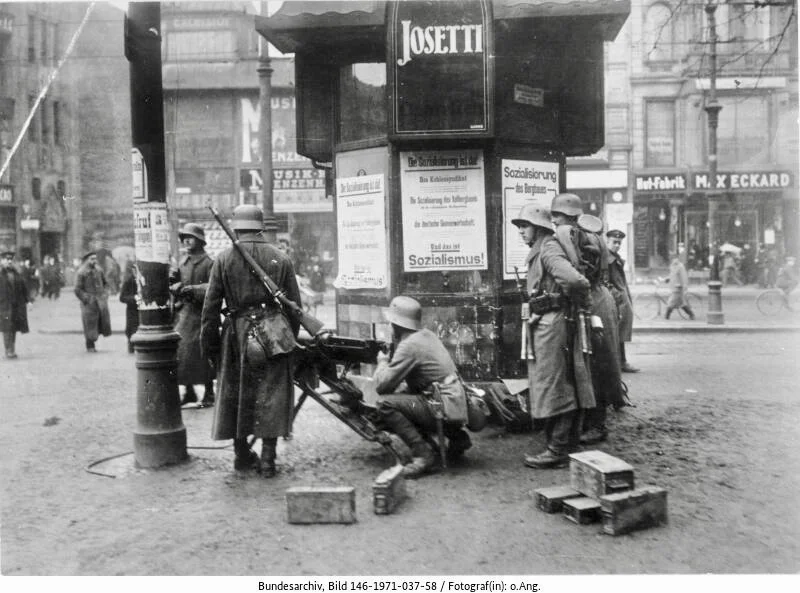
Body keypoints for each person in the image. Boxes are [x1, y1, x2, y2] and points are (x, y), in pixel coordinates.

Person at [200, 205, 303, 477]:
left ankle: (242, 455)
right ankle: (268, 459)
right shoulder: (281, 258)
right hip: (274, 333)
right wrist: (286, 339)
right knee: (272, 395)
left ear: (236, 227)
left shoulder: (223, 259)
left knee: (236, 394)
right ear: (260, 227)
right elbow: (295, 308)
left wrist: (209, 346)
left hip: (236, 333)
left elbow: (210, 309)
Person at [512, 201, 594, 469]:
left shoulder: (547, 248)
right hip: (546, 323)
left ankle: (557, 449)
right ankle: (564, 444)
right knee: (554, 383)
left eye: (525, 226)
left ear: (538, 227)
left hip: (552, 325)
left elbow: (575, 281)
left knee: (554, 385)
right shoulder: (541, 248)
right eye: (520, 226)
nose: (521, 231)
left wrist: (569, 303)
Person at [549, 194, 625, 447]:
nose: (554, 221)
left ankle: (596, 424)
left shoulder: (568, 234)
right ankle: (592, 421)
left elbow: (577, 272)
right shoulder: (589, 234)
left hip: (593, 301)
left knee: (595, 364)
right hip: (601, 298)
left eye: (556, 216)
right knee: (595, 362)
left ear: (565, 216)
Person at [371, 295, 473, 479]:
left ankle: (424, 455)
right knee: (406, 396)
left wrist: (382, 361)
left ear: (396, 324)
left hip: (442, 405)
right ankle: (457, 438)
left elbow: (382, 386)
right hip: (453, 401)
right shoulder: (426, 335)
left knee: (385, 405)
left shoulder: (409, 345)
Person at [170, 223, 216, 407]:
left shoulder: (209, 263)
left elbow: (213, 289)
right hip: (184, 313)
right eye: (184, 238)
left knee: (203, 354)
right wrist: (174, 286)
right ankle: (188, 391)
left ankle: (209, 392)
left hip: (202, 315)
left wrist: (191, 290)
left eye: (191, 237)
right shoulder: (182, 262)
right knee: (182, 353)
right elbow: (175, 283)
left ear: (200, 240)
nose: (187, 241)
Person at [605, 229, 638, 373]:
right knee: (616, 332)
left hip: (621, 298)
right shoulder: (606, 259)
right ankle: (619, 362)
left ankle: (621, 361)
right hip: (615, 300)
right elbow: (606, 282)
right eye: (614, 242)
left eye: (619, 243)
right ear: (607, 241)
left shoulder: (615, 257)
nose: (617, 245)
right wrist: (617, 296)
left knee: (620, 332)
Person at [74, 251, 112, 352]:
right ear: (86, 260)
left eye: (95, 258)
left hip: (100, 302)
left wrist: (105, 295)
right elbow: (77, 289)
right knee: (89, 324)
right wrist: (87, 299)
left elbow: (106, 284)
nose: (94, 261)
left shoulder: (99, 270)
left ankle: (93, 343)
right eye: (91, 259)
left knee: (99, 323)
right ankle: (90, 346)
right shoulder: (81, 272)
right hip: (89, 304)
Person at [0, 250, 30, 359]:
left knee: (13, 328)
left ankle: (12, 349)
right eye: (6, 259)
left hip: (16, 305)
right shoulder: (0, 274)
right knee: (6, 328)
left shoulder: (17, 274)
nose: (9, 261)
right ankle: (8, 350)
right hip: (4, 306)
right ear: (2, 261)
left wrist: (28, 300)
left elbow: (23, 288)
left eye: (10, 259)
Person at [665, 251, 695, 320]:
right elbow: (672, 275)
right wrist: (667, 278)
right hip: (674, 287)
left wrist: (685, 288)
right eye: (671, 257)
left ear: (675, 258)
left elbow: (684, 277)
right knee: (681, 303)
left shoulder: (680, 266)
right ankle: (691, 314)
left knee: (671, 302)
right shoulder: (673, 265)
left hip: (678, 288)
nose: (671, 259)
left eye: (672, 257)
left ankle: (666, 316)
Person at [119, 260, 139, 354]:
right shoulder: (128, 281)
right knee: (131, 330)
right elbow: (122, 298)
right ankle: (131, 348)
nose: (137, 272)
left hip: (143, 310)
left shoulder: (144, 281)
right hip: (132, 310)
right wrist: (134, 298)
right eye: (135, 270)